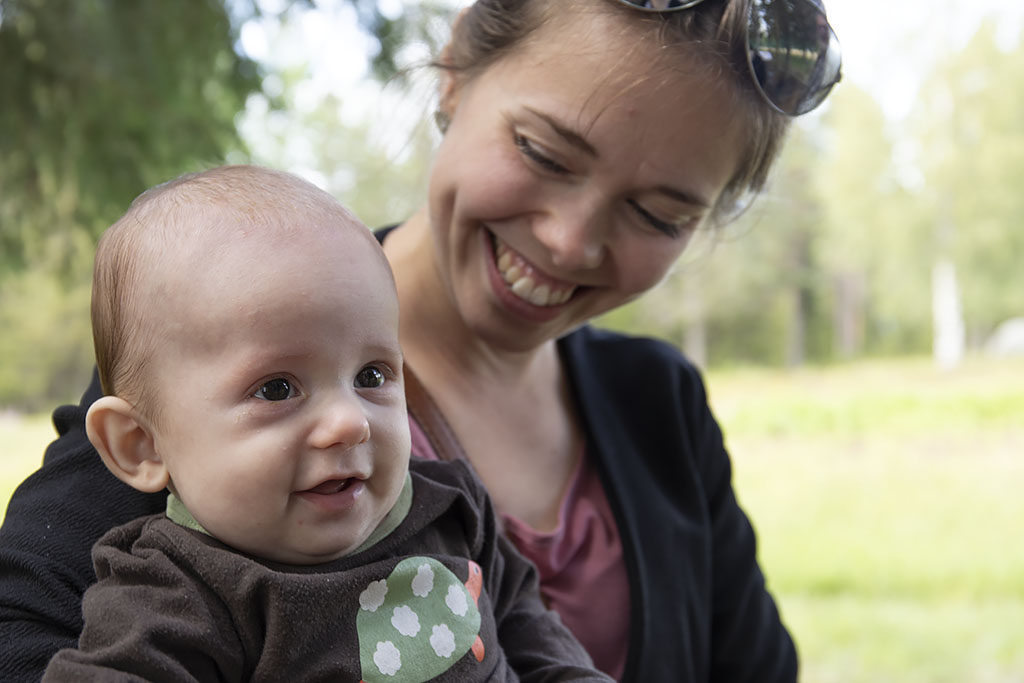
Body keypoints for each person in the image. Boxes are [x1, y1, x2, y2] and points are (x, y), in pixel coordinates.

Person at [0, 0, 842, 680]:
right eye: (544, 152)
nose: (570, 241)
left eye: (659, 214)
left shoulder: (659, 400)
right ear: (453, 76)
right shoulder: (199, 356)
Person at [39, 165, 612, 682]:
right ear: (141, 446)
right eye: (277, 389)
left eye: (371, 375)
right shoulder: (179, 597)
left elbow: (526, 623)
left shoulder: (451, 507)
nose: (348, 422)